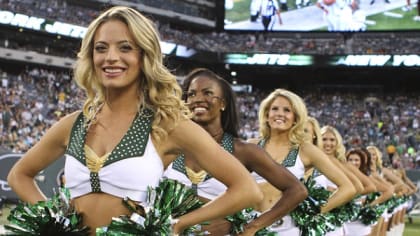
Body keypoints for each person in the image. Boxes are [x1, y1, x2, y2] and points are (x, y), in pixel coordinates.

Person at [6, 6, 263, 235]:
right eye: (101, 48)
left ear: (144, 57)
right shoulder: (73, 124)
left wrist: (179, 224)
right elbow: (20, 174)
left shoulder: (166, 125)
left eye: (125, 48)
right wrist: (55, 220)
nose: (111, 58)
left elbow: (247, 190)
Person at [164, 68, 307, 235]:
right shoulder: (170, 145)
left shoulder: (243, 151)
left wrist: (254, 226)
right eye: (192, 94)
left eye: (208, 93)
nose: (198, 99)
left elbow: (297, 190)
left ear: (223, 103)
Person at [249, 88, 356, 235]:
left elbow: (348, 188)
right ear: (267, 115)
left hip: (287, 228)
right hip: (249, 225)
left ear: (296, 118)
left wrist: (314, 211)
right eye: (275, 109)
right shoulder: (251, 146)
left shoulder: (306, 150)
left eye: (287, 110)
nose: (280, 113)